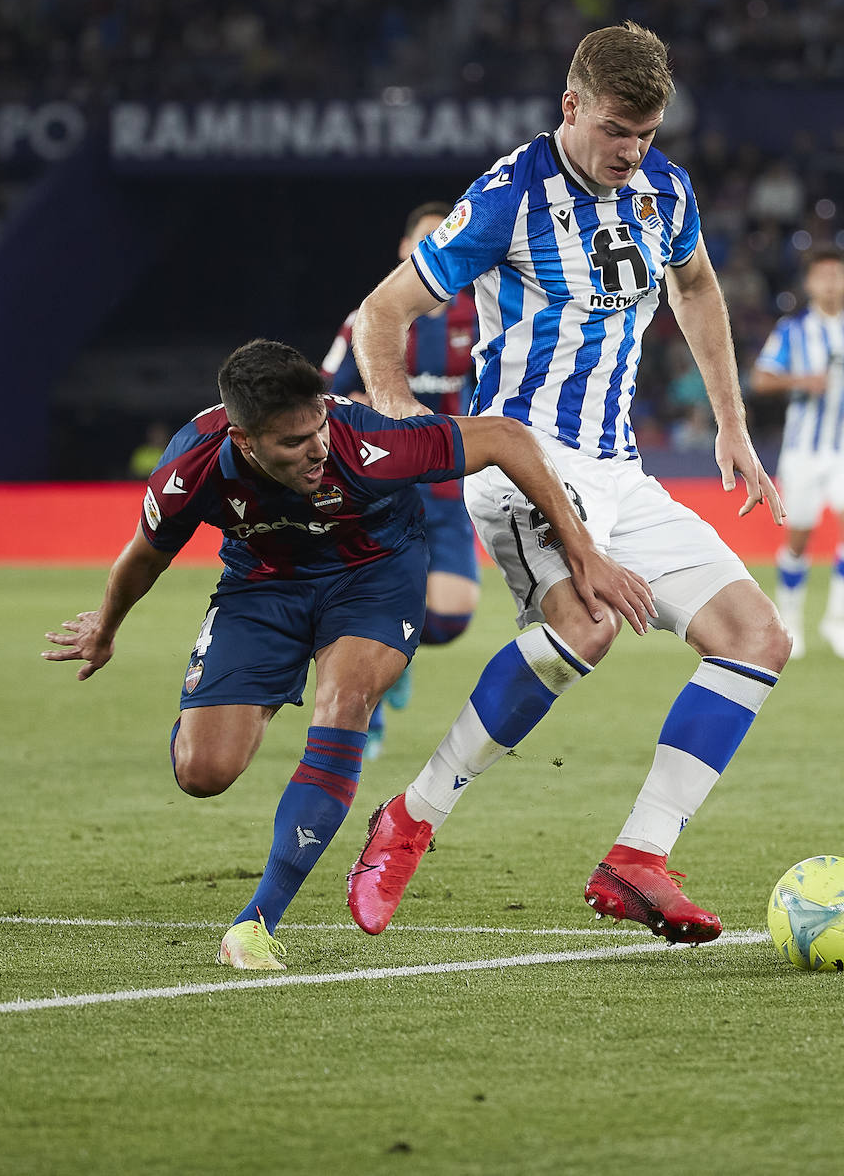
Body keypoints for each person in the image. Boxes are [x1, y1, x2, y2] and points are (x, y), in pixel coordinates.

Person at [345, 21, 790, 946]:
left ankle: (638, 859)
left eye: (648, 134)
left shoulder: (665, 191)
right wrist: (398, 421)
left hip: (619, 471)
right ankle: (411, 818)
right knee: (585, 621)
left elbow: (697, 288)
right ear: (572, 106)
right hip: (522, 461)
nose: (632, 152)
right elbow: (382, 312)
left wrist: (733, 423)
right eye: (618, 130)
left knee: (757, 635)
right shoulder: (508, 197)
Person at [42, 338, 653, 971]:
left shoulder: (367, 443)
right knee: (204, 772)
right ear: (245, 441)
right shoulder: (192, 466)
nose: (317, 449)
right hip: (262, 586)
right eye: (293, 443)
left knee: (345, 701)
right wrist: (106, 630)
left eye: (318, 429)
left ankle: (256, 923)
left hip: (373, 577)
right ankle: (220, 699)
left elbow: (505, 437)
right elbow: (144, 555)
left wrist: (582, 551)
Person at [321, 202, 480, 756]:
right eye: (424, 241)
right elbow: (326, 394)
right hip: (382, 490)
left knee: (450, 618)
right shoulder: (370, 317)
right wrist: (369, 406)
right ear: (403, 250)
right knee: (377, 606)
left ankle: (399, 656)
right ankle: (370, 712)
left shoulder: (481, 317)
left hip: (449, 489)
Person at [751, 248, 844, 659]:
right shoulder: (792, 331)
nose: (829, 282)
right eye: (822, 275)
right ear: (810, 284)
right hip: (804, 449)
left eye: (837, 275)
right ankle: (790, 623)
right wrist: (800, 380)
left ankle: (838, 620)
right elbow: (759, 378)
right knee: (799, 538)